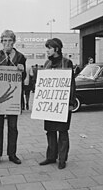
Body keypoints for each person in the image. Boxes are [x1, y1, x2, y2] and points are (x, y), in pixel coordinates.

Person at [0, 30, 26, 166]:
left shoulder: (20, 57)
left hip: (13, 98)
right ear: (1, 42)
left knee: (13, 127)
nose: (7, 43)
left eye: (10, 41)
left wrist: (23, 70)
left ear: (14, 41)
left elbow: (24, 77)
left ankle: (12, 154)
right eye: (4, 41)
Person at [39, 38, 75, 169]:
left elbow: (71, 84)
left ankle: (62, 159)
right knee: (50, 130)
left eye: (49, 48)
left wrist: (71, 102)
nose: (47, 50)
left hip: (63, 104)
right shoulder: (47, 63)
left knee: (63, 131)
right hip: (50, 104)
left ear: (57, 49)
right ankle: (51, 157)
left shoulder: (67, 63)